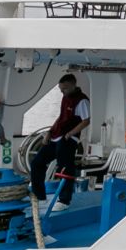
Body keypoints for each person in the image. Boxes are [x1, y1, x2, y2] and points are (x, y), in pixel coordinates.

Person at [29, 74, 91, 207]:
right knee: (37, 163)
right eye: (61, 89)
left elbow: (86, 121)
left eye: (65, 89)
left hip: (68, 138)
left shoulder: (82, 100)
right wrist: (49, 133)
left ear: (74, 85)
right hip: (56, 136)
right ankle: (39, 196)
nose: (63, 91)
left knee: (65, 168)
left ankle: (64, 200)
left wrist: (70, 134)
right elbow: (61, 117)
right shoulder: (65, 97)